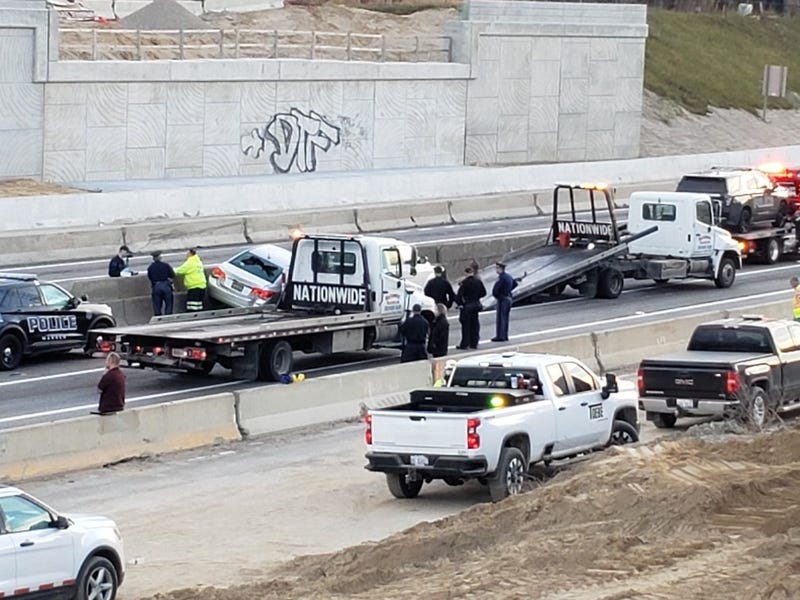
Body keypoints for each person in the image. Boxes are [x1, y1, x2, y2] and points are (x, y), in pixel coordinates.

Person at [455, 266, 486, 350]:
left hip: (467, 306)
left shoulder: (464, 283)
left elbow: (459, 296)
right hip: (476, 305)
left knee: (466, 326)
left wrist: (460, 303)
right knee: (475, 324)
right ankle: (474, 343)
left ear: (466, 273)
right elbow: (484, 292)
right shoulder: (478, 281)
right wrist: (476, 297)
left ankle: (465, 344)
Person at [492, 261, 518, 342]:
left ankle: (501, 336)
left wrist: (498, 295)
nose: (496, 270)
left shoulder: (501, 278)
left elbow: (496, 290)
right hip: (508, 298)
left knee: (501, 318)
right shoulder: (508, 276)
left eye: (497, 268)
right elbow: (515, 284)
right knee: (505, 317)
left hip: (502, 299)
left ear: (501, 269)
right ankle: (505, 335)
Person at [175, 247, 207, 312]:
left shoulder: (190, 262)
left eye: (187, 253)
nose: (186, 255)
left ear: (190, 254)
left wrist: (170, 271)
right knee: (199, 305)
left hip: (194, 286)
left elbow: (180, 270)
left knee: (192, 307)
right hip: (202, 285)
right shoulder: (198, 261)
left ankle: (194, 319)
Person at [147, 250, 175, 316]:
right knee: (169, 304)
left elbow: (150, 277)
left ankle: (158, 318)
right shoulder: (165, 265)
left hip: (156, 286)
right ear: (160, 257)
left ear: (153, 258)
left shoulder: (150, 267)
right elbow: (172, 275)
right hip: (166, 286)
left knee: (157, 305)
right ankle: (168, 316)